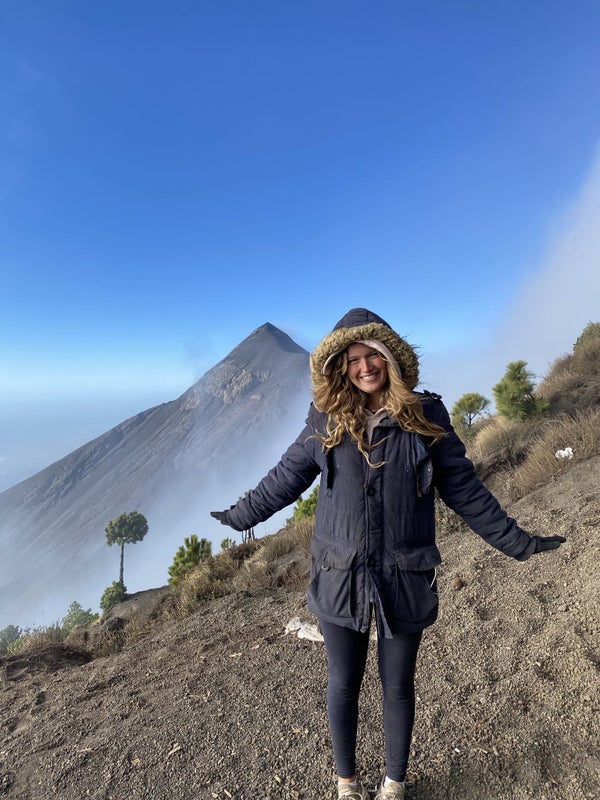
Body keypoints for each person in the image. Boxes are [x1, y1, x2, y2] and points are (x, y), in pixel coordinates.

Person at [211, 308, 566, 800]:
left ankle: (394, 783)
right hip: (340, 572)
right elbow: (286, 478)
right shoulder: (325, 418)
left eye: (372, 355)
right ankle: (347, 783)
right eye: (353, 359)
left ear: (390, 357)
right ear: (340, 367)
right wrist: (239, 516)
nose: (364, 367)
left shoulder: (425, 415)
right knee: (343, 681)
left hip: (405, 571)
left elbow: (463, 489)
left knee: (398, 683)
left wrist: (517, 541)